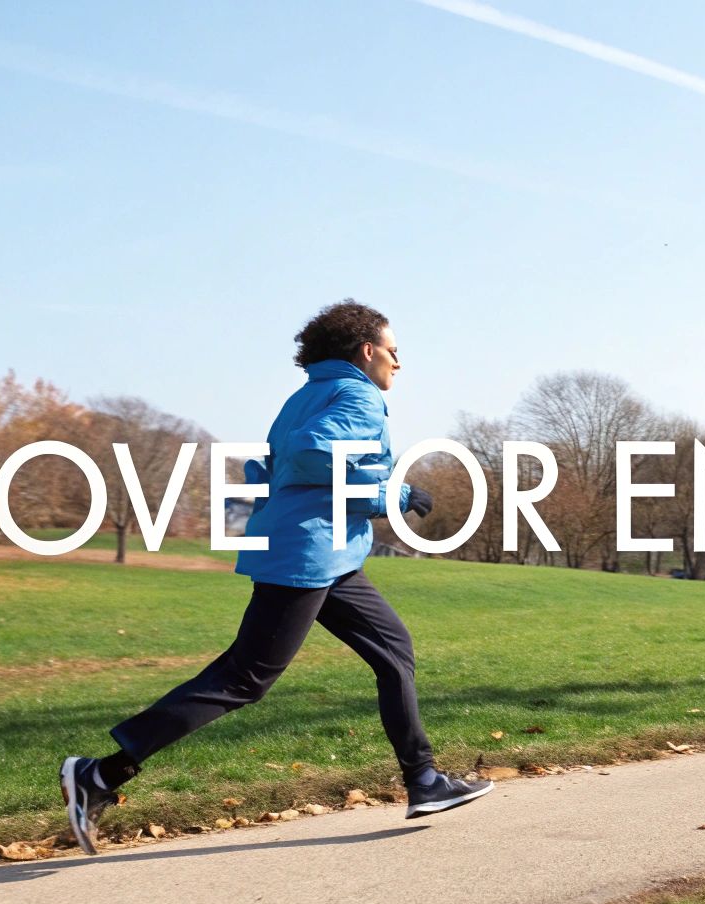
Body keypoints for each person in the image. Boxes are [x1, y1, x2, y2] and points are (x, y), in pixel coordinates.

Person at [59, 300, 491, 855]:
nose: (397, 363)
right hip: (307, 553)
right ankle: (101, 774)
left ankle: (423, 779)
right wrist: (392, 495)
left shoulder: (307, 394)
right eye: (393, 351)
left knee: (394, 651)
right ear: (367, 351)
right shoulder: (359, 393)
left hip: (326, 555)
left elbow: (272, 466)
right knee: (245, 678)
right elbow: (313, 456)